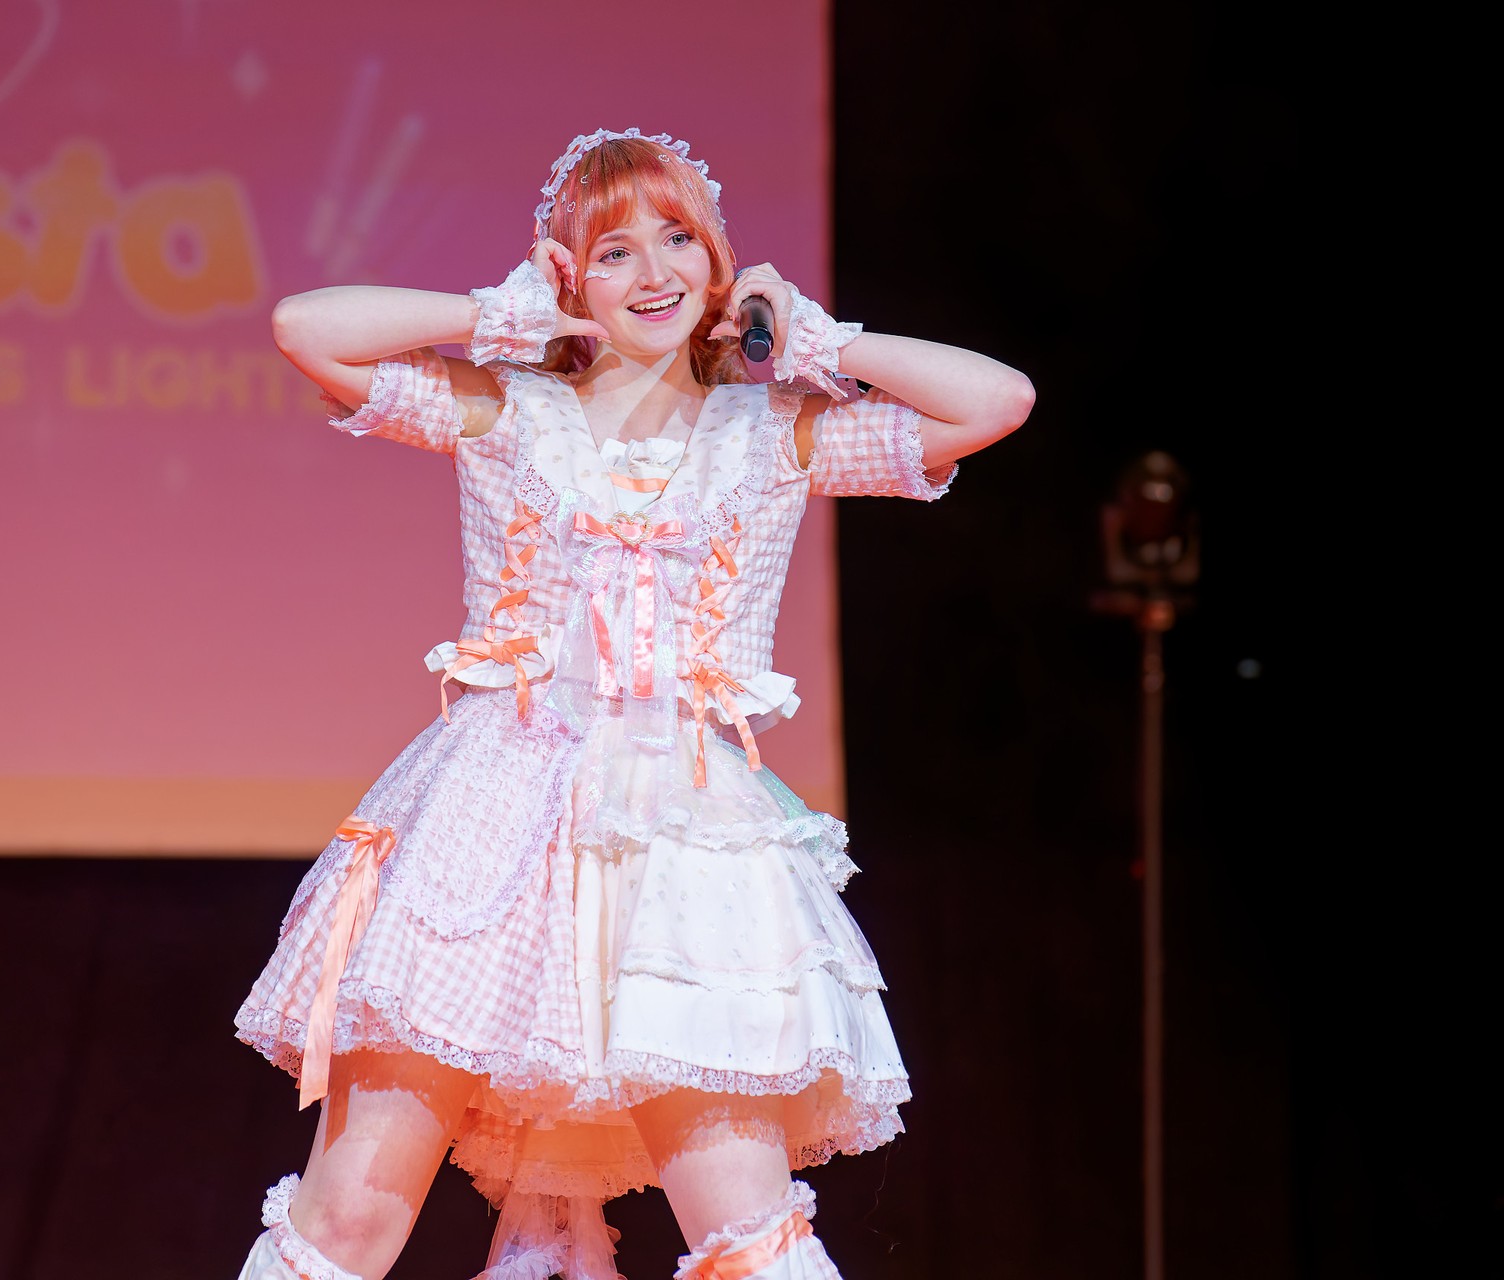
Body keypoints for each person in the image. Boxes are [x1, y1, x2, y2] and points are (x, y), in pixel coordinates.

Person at [232, 127, 1034, 1280]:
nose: (655, 272)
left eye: (678, 241)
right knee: (349, 1216)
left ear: (717, 264)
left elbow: (999, 399)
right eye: (614, 251)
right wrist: (491, 315)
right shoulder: (506, 412)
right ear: (568, 277)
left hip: (686, 849)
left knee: (752, 1237)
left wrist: (823, 339)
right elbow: (307, 329)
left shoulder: (774, 434)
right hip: (486, 838)